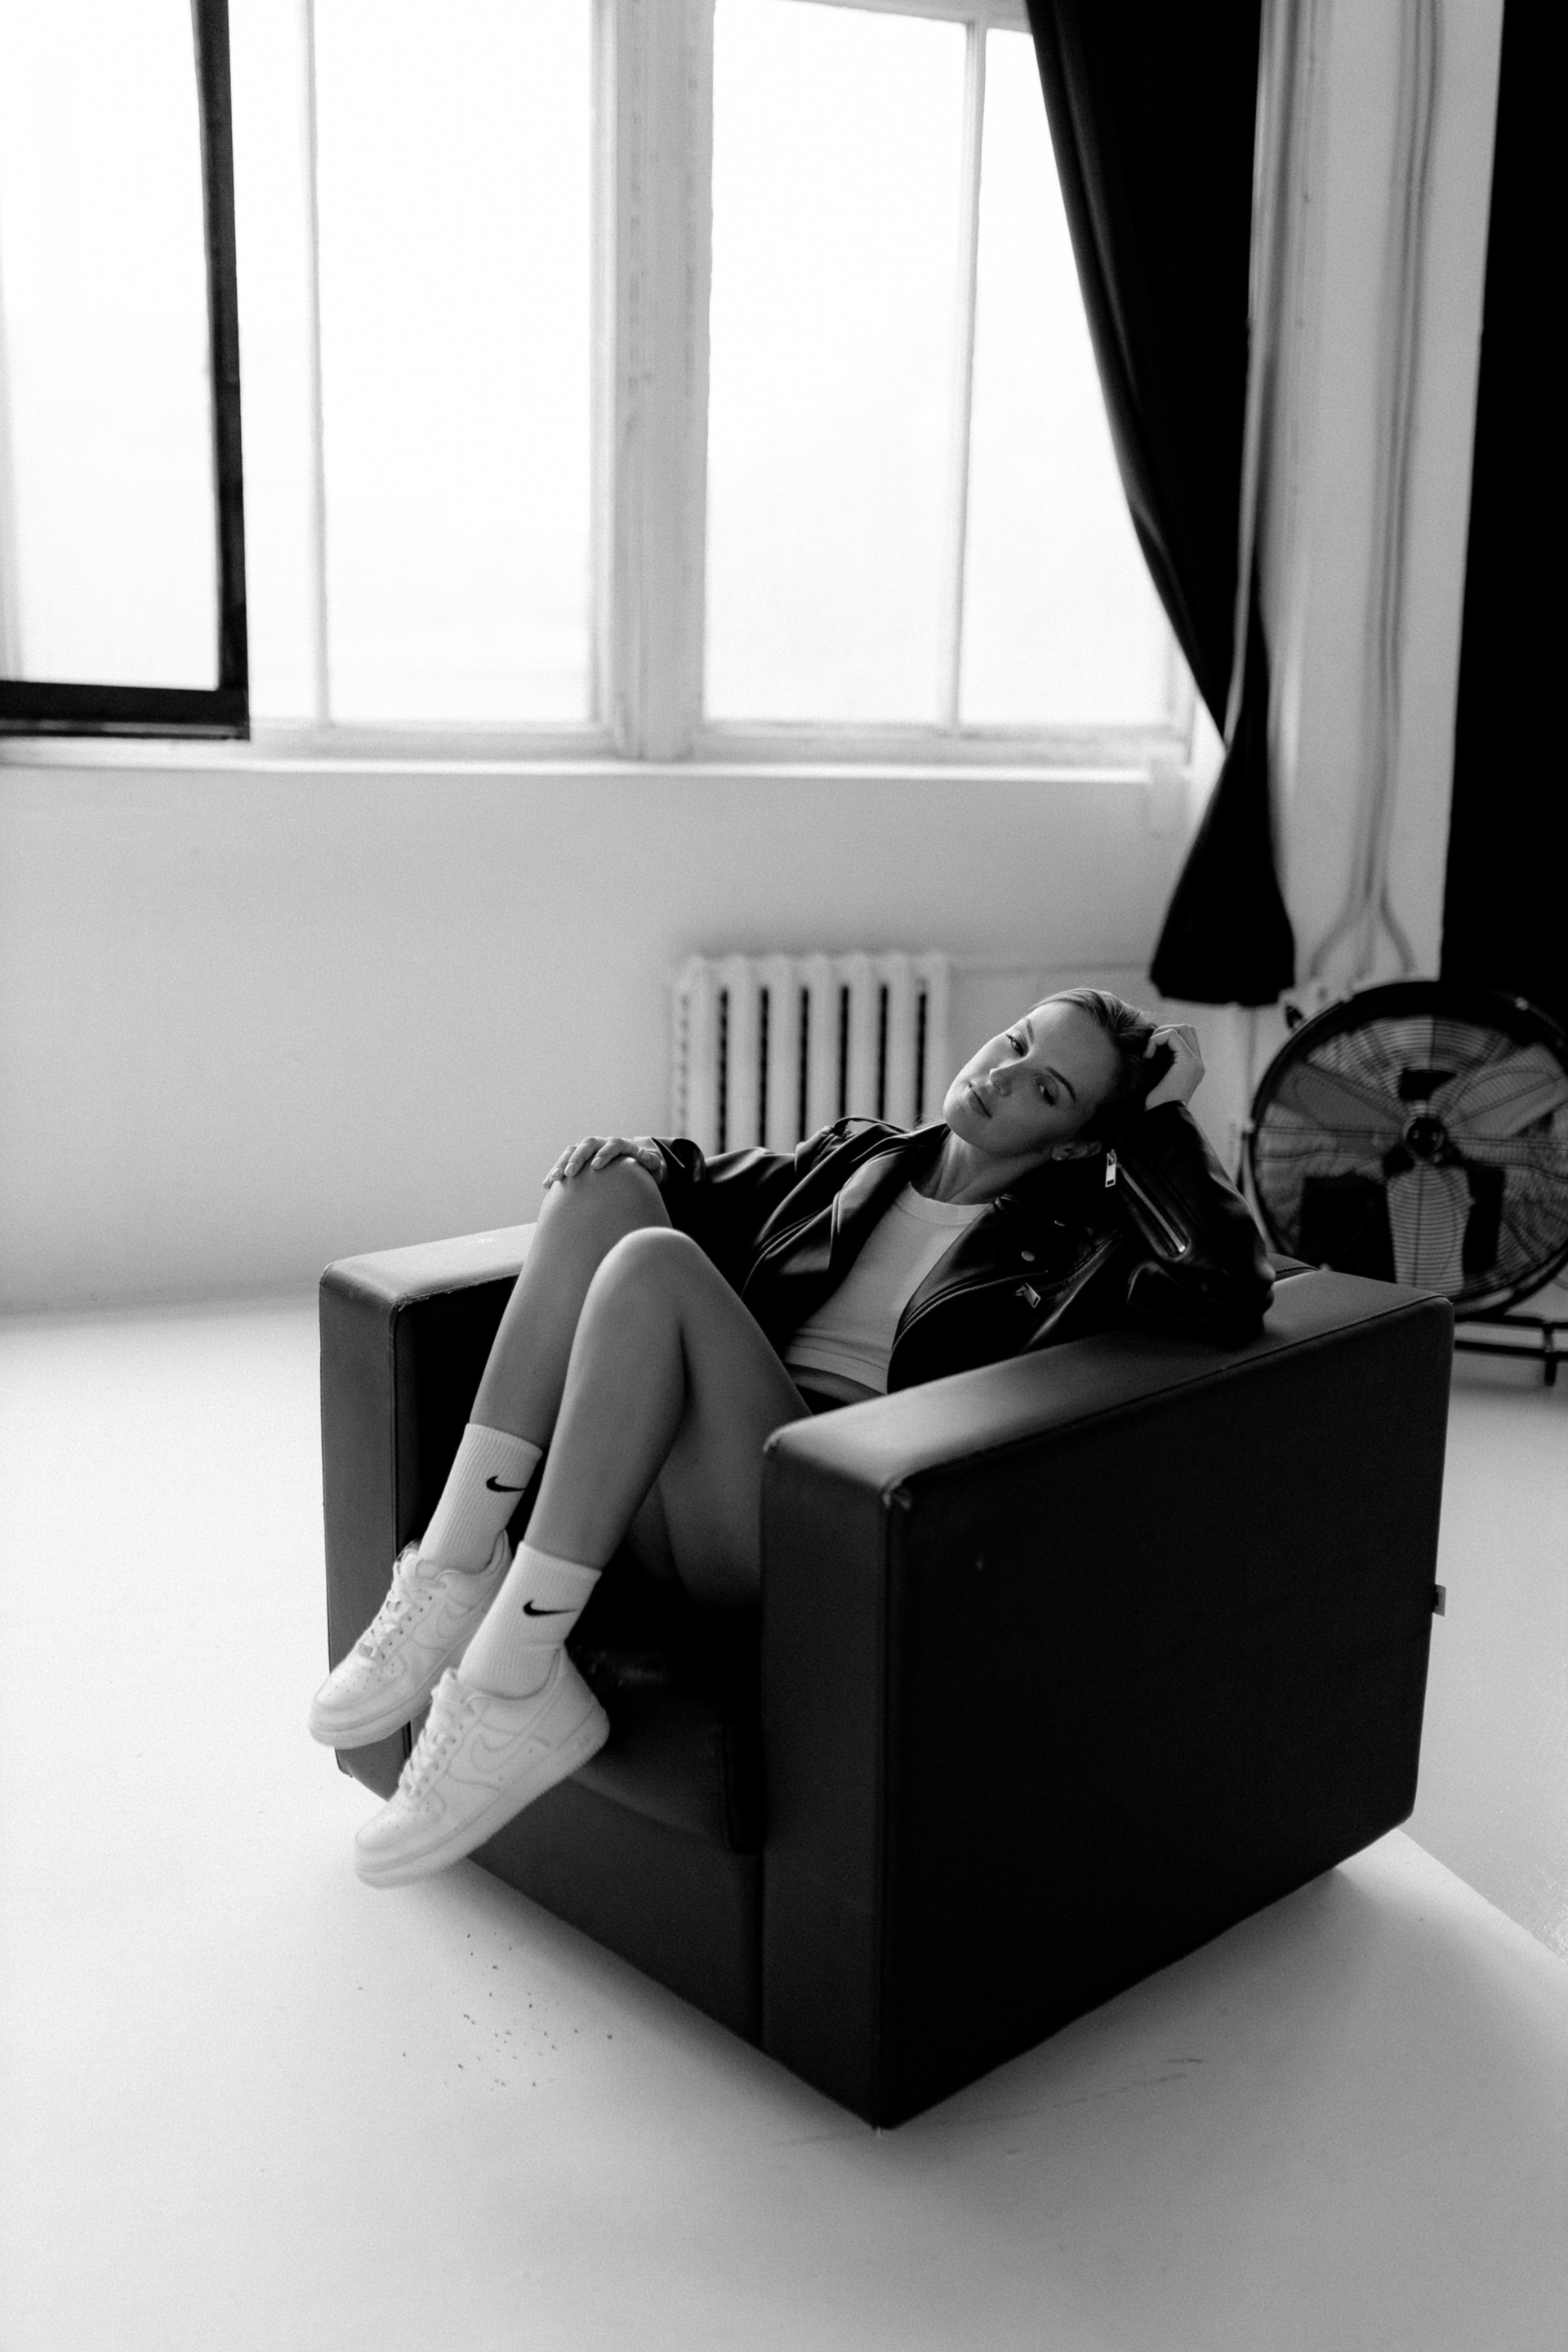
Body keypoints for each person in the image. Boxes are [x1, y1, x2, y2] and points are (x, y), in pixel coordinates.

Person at [309, 988, 1273, 1888]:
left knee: (655, 1267)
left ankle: (512, 1678)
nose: (1004, 1075)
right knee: (604, 1187)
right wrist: (632, 1157)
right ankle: (455, 1568)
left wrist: (1160, 1120)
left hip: (817, 1530)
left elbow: (1227, 1283)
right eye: (1016, 1043)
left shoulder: (1078, 1255)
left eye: (1048, 1089)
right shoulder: (862, 1160)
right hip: (683, 1488)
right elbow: (692, 1180)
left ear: (1078, 1142)